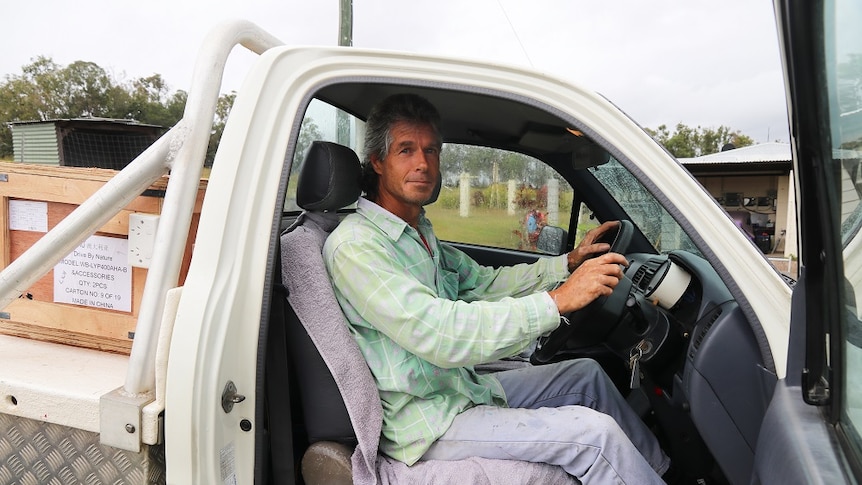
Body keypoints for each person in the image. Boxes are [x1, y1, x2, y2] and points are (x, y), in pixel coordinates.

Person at [322, 93, 670, 483]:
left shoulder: (417, 232)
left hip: (460, 387)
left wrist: (567, 263)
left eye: (431, 150)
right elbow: (441, 333)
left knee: (587, 375)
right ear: (377, 162)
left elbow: (484, 283)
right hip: (429, 420)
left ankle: (660, 473)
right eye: (406, 150)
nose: (423, 163)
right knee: (596, 435)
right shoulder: (357, 247)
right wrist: (557, 301)